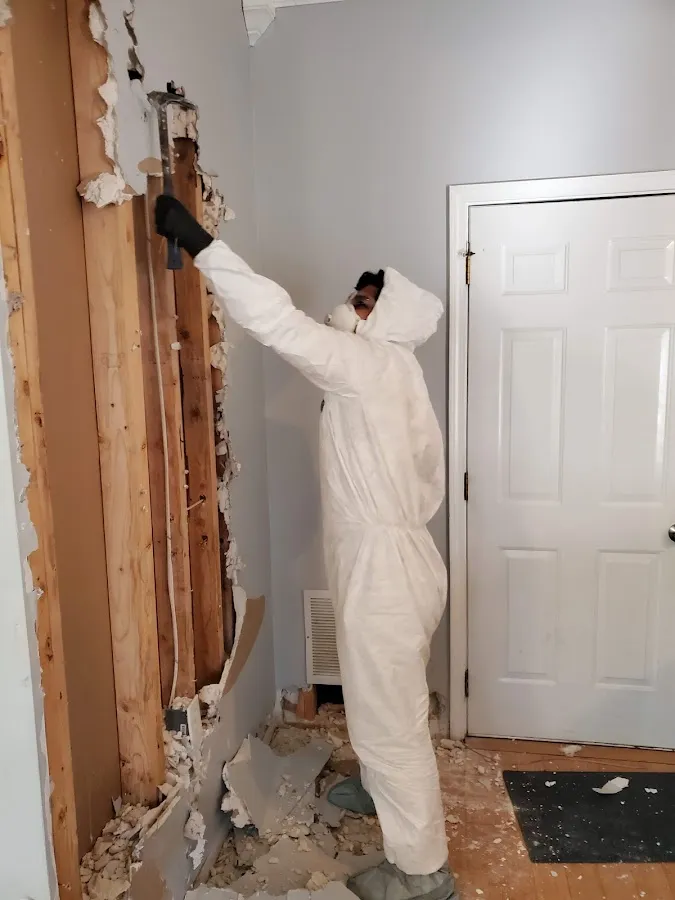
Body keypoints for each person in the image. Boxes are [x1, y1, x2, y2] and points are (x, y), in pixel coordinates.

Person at [155, 195, 458, 900]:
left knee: (392, 720)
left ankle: (423, 872)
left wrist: (204, 246)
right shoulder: (394, 371)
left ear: (385, 318)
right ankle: (382, 793)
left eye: (364, 301)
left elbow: (278, 322)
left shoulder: (368, 364)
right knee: (384, 702)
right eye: (354, 294)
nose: (349, 305)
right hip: (394, 564)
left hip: (385, 573)